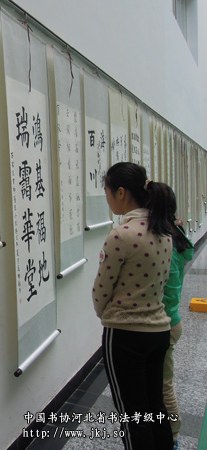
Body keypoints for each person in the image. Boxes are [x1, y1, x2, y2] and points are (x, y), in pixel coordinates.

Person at [92, 162, 174, 450]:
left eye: (107, 192)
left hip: (126, 336)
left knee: (132, 416)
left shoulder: (121, 235)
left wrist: (106, 315)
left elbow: (101, 290)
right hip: (159, 331)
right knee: (155, 408)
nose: (107, 198)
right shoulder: (164, 231)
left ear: (121, 192)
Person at [161, 184, 194, 450]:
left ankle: (173, 437)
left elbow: (167, 287)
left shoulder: (166, 244)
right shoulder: (176, 233)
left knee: (164, 385)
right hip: (173, 320)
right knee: (162, 383)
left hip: (166, 323)